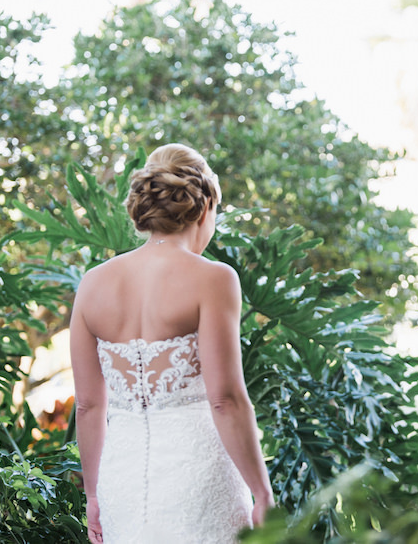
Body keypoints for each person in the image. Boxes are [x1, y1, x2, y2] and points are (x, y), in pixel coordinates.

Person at [70, 143, 274, 543]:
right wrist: (263, 492)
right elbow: (226, 399)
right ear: (205, 205)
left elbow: (88, 405)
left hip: (120, 482)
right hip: (198, 477)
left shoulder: (93, 283)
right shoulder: (213, 279)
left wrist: (93, 495)